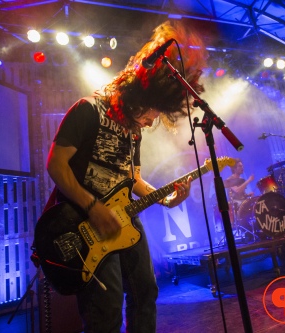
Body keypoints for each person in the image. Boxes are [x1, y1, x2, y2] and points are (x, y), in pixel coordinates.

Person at [44, 21, 207, 332]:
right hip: (86, 223)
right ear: (139, 100)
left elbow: (133, 180)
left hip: (125, 222)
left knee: (146, 292)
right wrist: (92, 206)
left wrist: (168, 199)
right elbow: (56, 165)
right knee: (106, 309)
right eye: (150, 116)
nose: (149, 123)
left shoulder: (133, 132)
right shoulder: (87, 110)